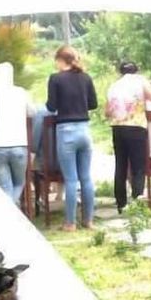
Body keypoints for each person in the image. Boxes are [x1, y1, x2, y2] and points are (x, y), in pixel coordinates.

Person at [46, 45, 98, 231]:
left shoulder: (55, 78)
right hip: (84, 131)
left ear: (61, 60)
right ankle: (89, 220)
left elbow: (51, 107)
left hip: (66, 132)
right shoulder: (85, 77)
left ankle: (70, 223)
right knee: (86, 177)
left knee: (70, 179)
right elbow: (93, 104)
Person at [104, 62, 151, 212]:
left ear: (120, 72)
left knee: (121, 166)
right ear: (136, 71)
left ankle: (121, 204)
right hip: (136, 127)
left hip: (118, 127)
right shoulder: (140, 81)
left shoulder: (114, 86)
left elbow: (107, 112)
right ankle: (137, 204)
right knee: (138, 167)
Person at [0, 62, 35, 206]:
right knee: (19, 183)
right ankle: (13, 209)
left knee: (5, 186)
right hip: (19, 145)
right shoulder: (20, 92)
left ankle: (9, 210)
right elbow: (32, 112)